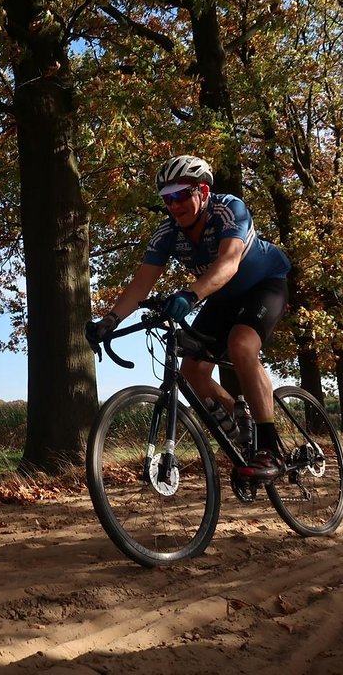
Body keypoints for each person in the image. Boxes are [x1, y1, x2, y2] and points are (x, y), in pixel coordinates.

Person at [86, 155, 292, 480]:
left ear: (203, 192)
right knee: (193, 371)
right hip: (221, 297)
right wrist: (109, 321)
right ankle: (243, 420)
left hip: (263, 284)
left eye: (181, 194)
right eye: (167, 198)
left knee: (241, 346)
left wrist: (191, 295)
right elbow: (141, 283)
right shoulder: (167, 232)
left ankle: (271, 449)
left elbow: (228, 263)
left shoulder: (229, 209)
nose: (174, 205)